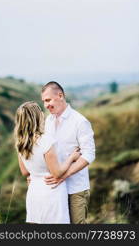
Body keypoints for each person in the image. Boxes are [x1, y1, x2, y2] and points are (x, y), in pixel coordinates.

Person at [14, 101, 80, 224]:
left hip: (34, 193)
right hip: (52, 192)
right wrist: (72, 157)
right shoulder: (46, 141)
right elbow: (57, 173)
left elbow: (24, 172)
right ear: (38, 117)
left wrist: (35, 173)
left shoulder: (20, 143)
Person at [41, 81, 96, 224]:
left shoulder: (80, 122)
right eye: (44, 101)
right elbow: (45, 152)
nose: (46, 105)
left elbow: (89, 154)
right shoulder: (47, 121)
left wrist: (64, 175)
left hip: (75, 188)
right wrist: (34, 176)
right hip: (54, 189)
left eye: (48, 100)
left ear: (60, 95)